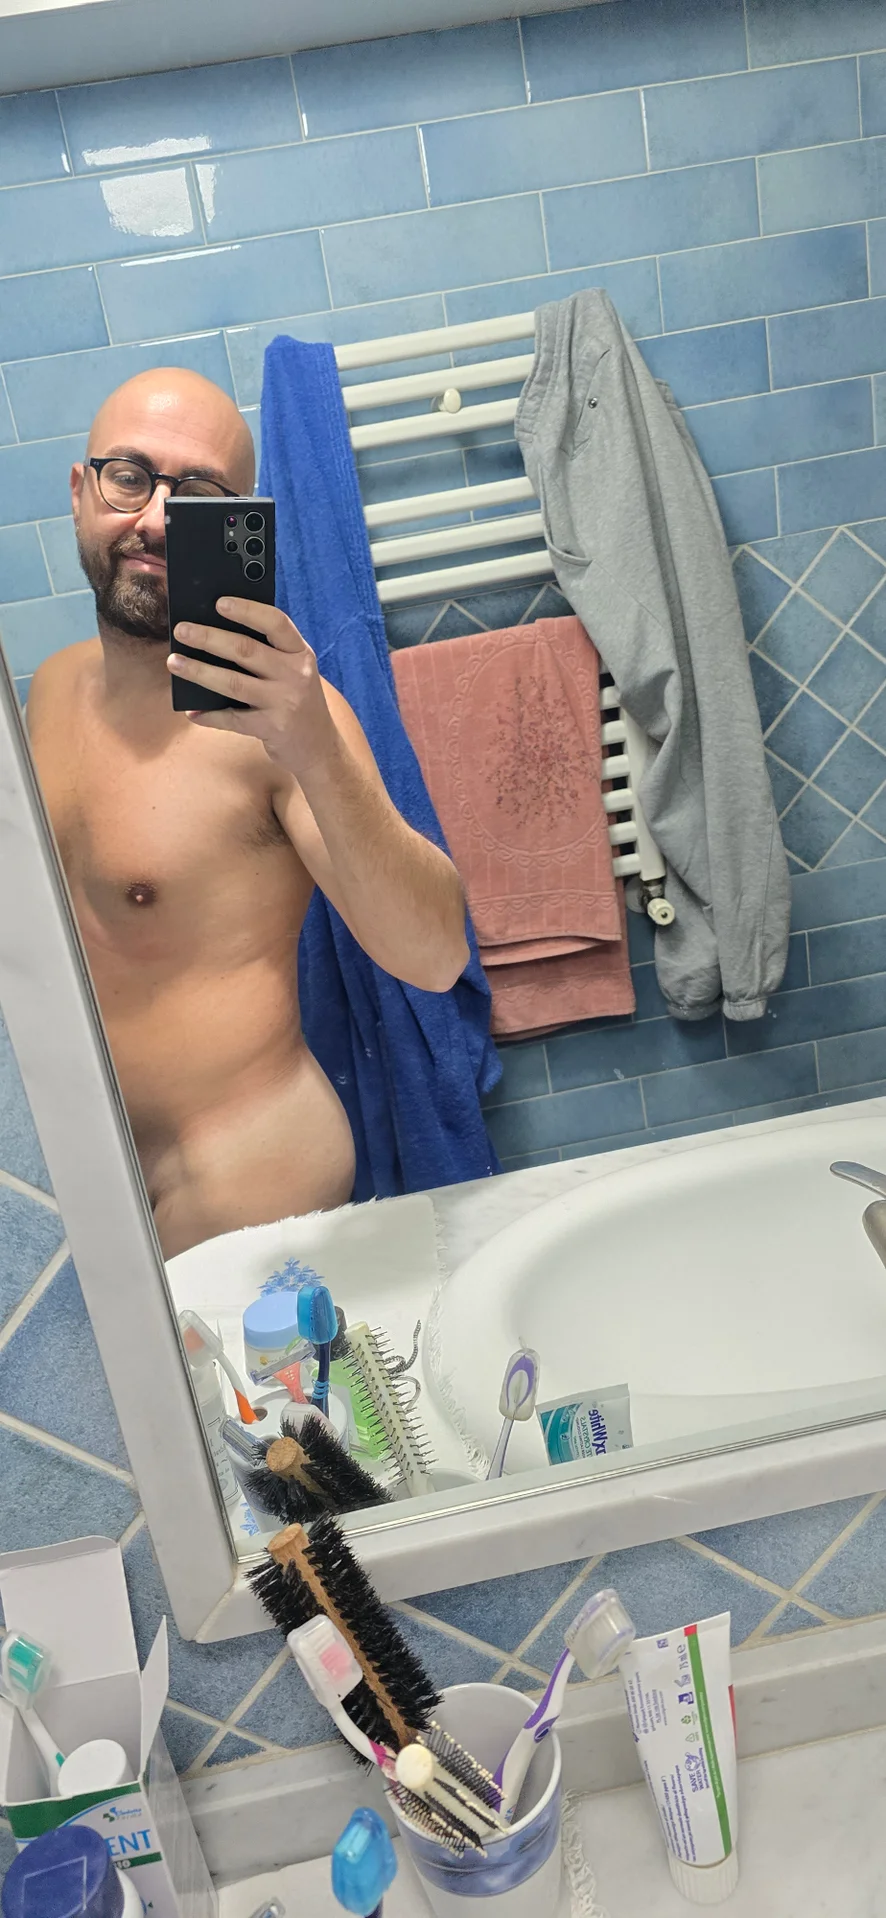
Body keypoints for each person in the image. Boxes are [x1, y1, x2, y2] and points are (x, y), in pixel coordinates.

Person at [27, 368, 469, 1259]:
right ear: (80, 494)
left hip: (251, 1190)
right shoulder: (50, 690)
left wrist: (312, 744)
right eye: (129, 477)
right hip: (96, 1195)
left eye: (197, 497)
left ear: (240, 525)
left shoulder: (283, 723)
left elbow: (435, 956)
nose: (156, 519)